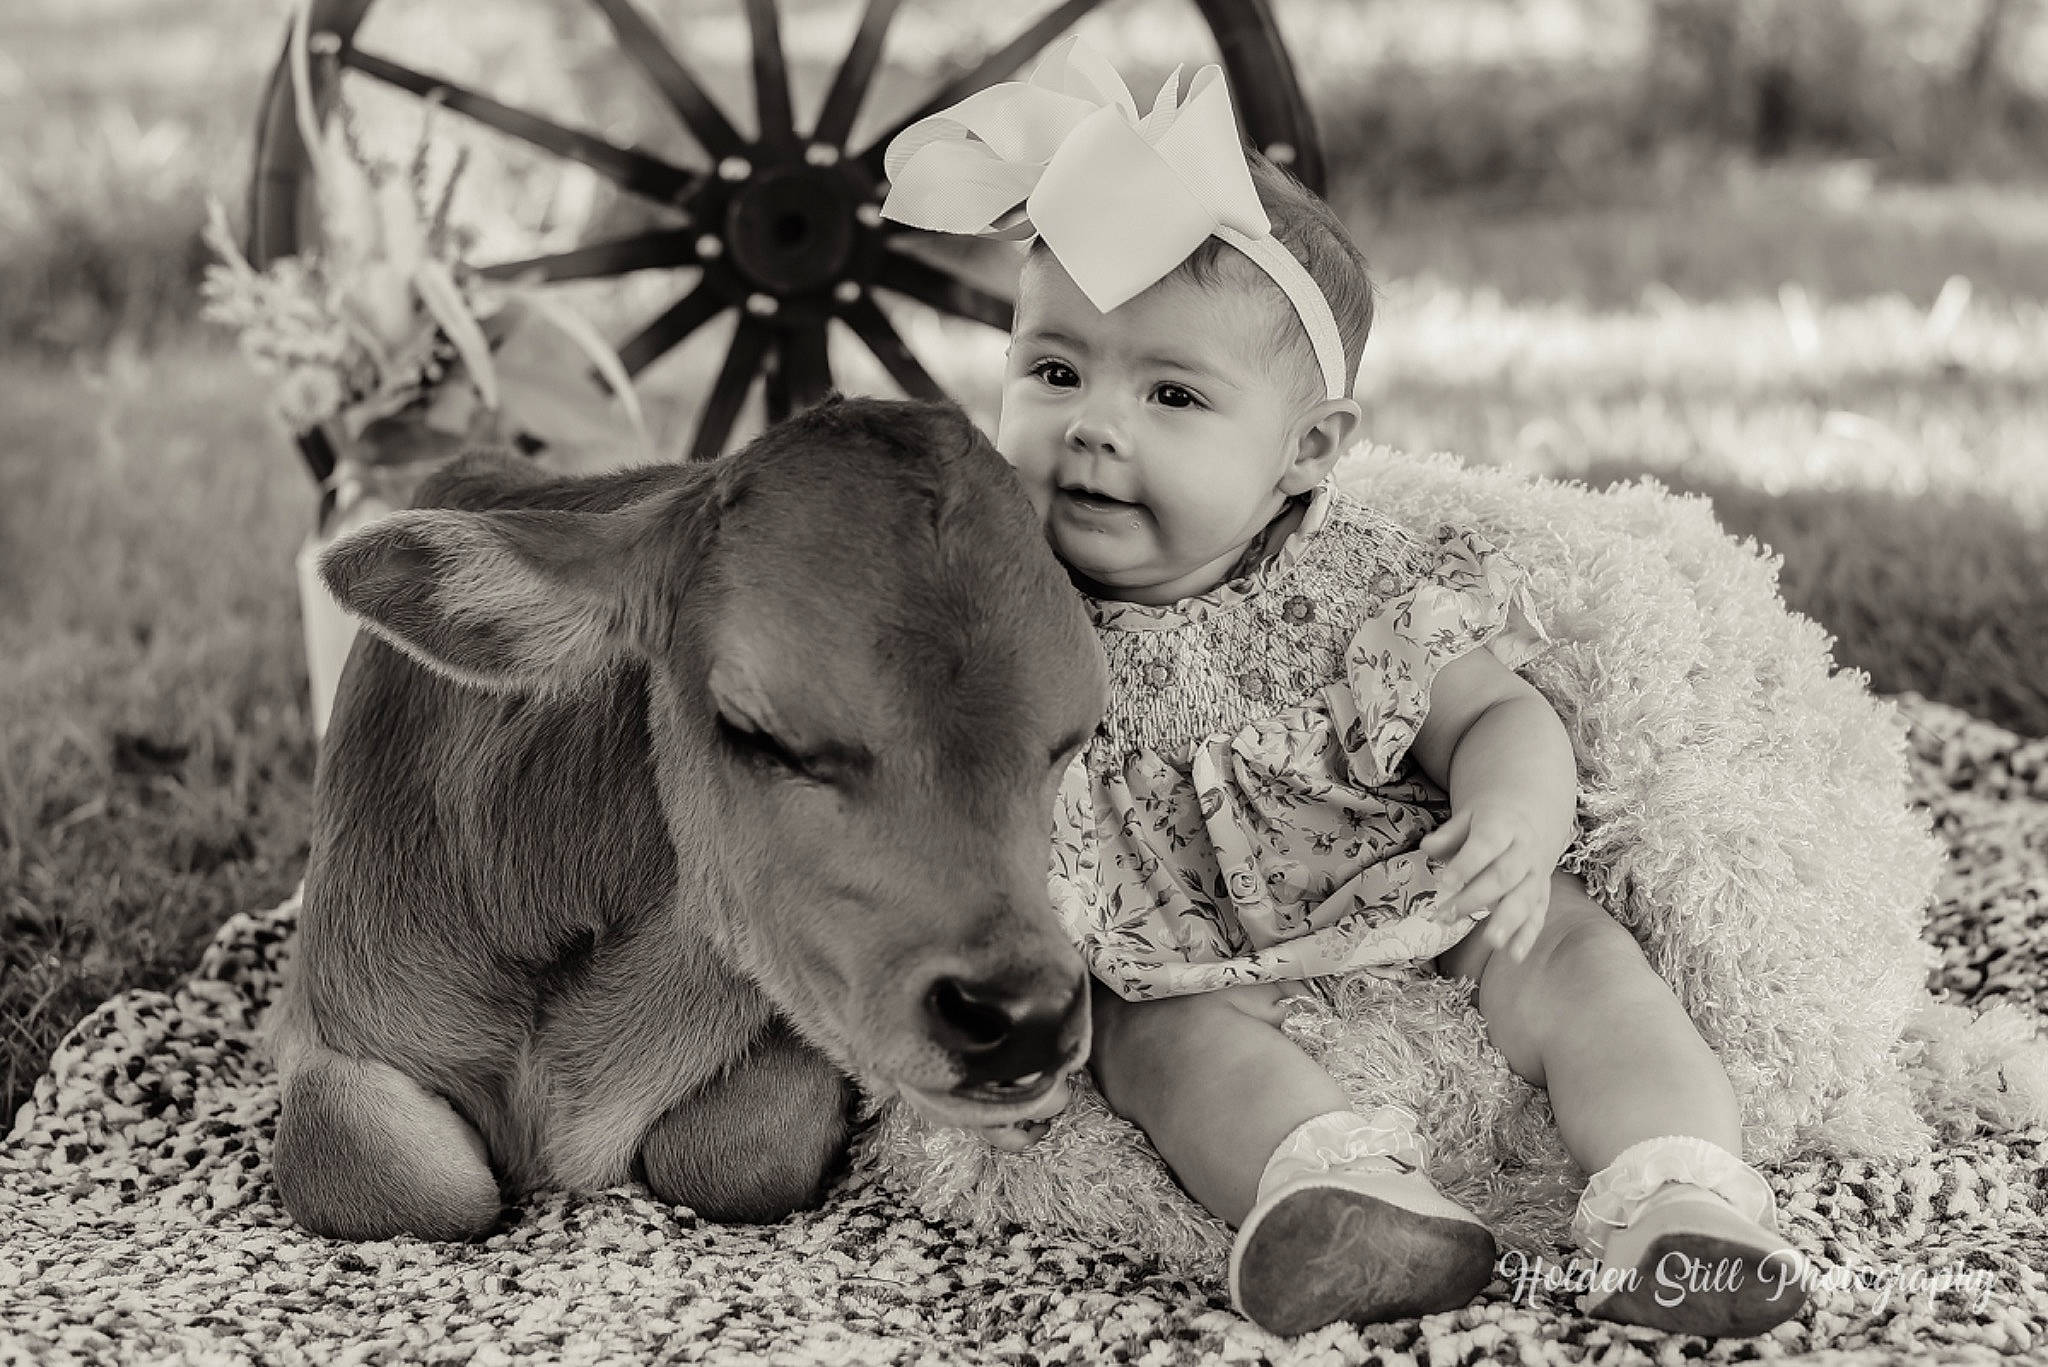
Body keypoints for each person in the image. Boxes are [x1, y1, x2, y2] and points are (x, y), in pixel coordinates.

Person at [883, 39, 1807, 1340]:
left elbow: (1492, 713)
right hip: (1165, 944)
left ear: (1306, 451)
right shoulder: (1003, 592)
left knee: (1577, 957)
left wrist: (1512, 814)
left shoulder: (1351, 582)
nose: (1094, 424)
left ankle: (1678, 1195)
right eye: (1054, 372)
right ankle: (1337, 1195)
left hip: (1403, 882)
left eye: (1172, 393)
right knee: (1151, 1045)